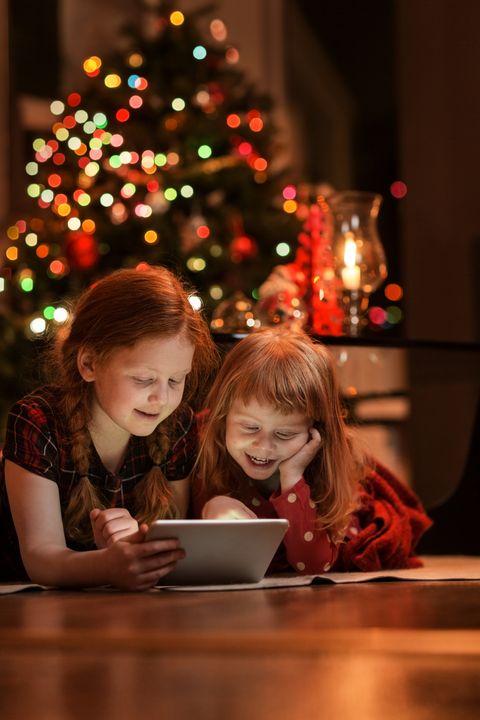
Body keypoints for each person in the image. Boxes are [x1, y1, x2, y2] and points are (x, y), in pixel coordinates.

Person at [0, 265, 218, 590]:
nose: (161, 398)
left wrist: (136, 549)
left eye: (176, 379)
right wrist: (109, 565)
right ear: (89, 364)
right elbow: (40, 558)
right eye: (143, 379)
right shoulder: (37, 421)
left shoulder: (177, 426)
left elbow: (168, 545)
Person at [192, 328, 432, 574]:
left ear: (314, 429)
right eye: (250, 427)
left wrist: (293, 478)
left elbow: (314, 565)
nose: (263, 446)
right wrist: (210, 509)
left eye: (284, 434)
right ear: (223, 415)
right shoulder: (203, 447)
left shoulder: (324, 467)